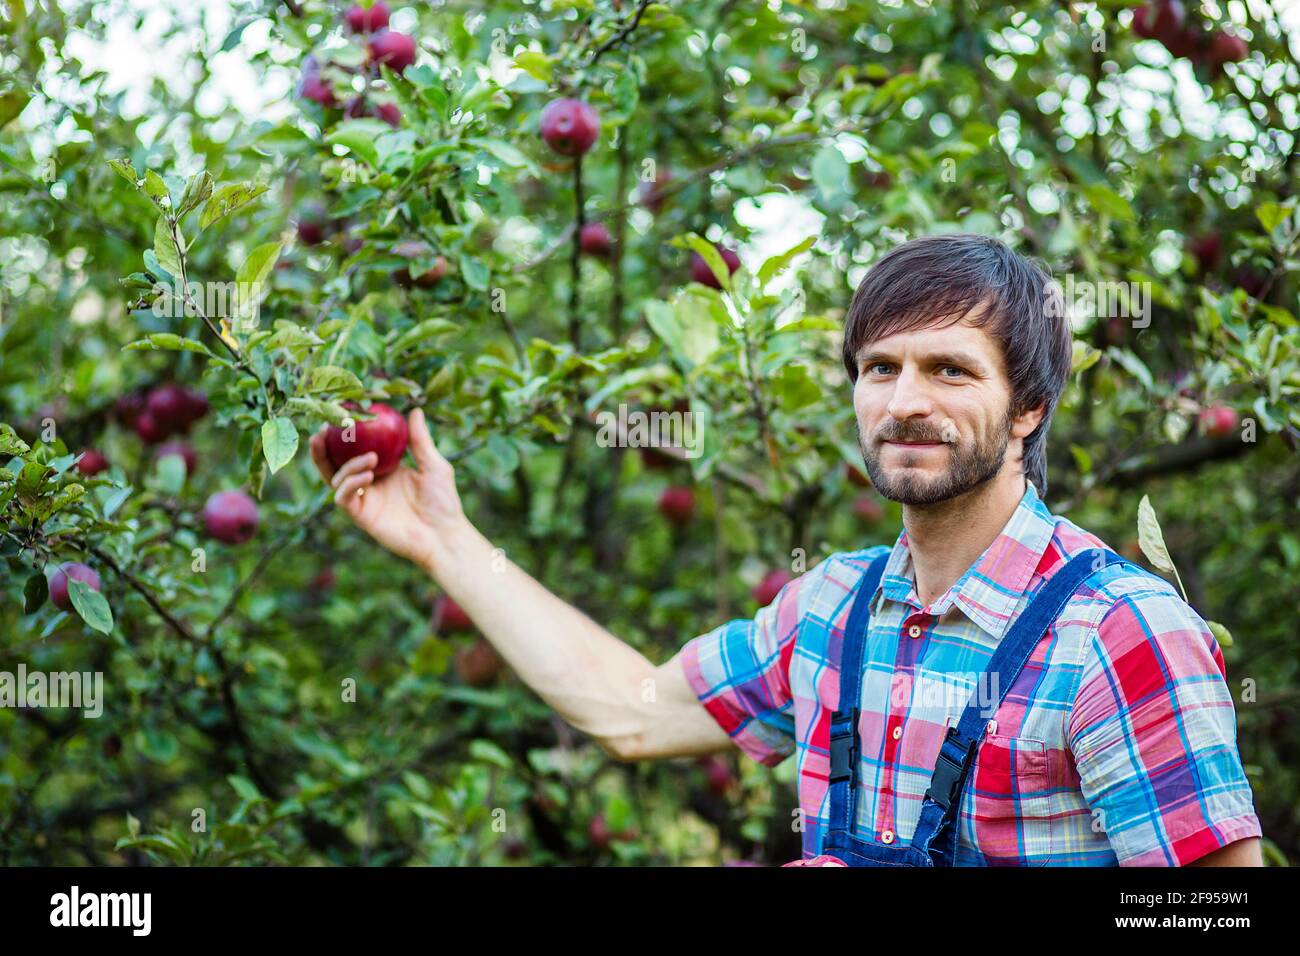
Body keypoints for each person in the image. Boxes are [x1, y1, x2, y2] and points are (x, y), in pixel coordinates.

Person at [310, 233, 1263, 867]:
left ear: (1028, 409)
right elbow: (632, 713)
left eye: (949, 370)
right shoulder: (831, 612)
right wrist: (446, 538)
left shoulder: (1119, 634)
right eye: (879, 368)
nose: (904, 402)